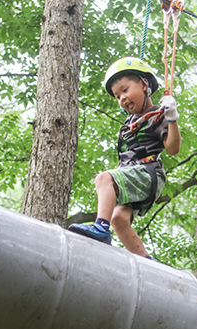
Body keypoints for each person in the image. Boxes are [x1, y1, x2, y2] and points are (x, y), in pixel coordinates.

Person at [69, 57, 181, 259]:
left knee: (104, 179)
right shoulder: (131, 122)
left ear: (144, 84)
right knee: (118, 217)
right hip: (138, 175)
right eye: (118, 96)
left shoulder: (158, 115)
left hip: (147, 172)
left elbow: (172, 148)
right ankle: (146, 261)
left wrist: (171, 118)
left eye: (125, 89)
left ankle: (101, 228)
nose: (122, 98)